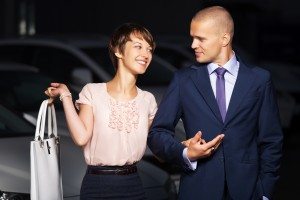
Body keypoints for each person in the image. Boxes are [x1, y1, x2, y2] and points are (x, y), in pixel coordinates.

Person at [147, 6, 283, 200]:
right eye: (192, 37)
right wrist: (186, 152)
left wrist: (265, 192)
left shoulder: (259, 80)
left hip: (248, 191)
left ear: (224, 39)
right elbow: (157, 134)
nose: (193, 45)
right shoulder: (184, 80)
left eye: (200, 38)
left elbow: (271, 140)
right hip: (198, 189)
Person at [45, 22, 157, 199]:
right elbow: (81, 138)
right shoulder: (92, 91)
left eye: (149, 49)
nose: (146, 54)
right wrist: (66, 96)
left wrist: (184, 148)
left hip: (133, 184)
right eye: (138, 46)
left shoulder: (148, 100)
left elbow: (157, 143)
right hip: (98, 185)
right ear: (118, 51)